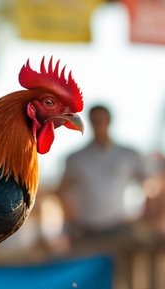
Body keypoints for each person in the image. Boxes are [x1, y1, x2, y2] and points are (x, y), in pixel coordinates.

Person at [58, 104, 149, 244]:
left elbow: (149, 184)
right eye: (95, 120)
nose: (99, 124)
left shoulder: (128, 155)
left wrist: (141, 213)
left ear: (109, 121)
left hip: (120, 227)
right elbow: (62, 192)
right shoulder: (76, 159)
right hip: (86, 229)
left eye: (102, 120)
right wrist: (72, 221)